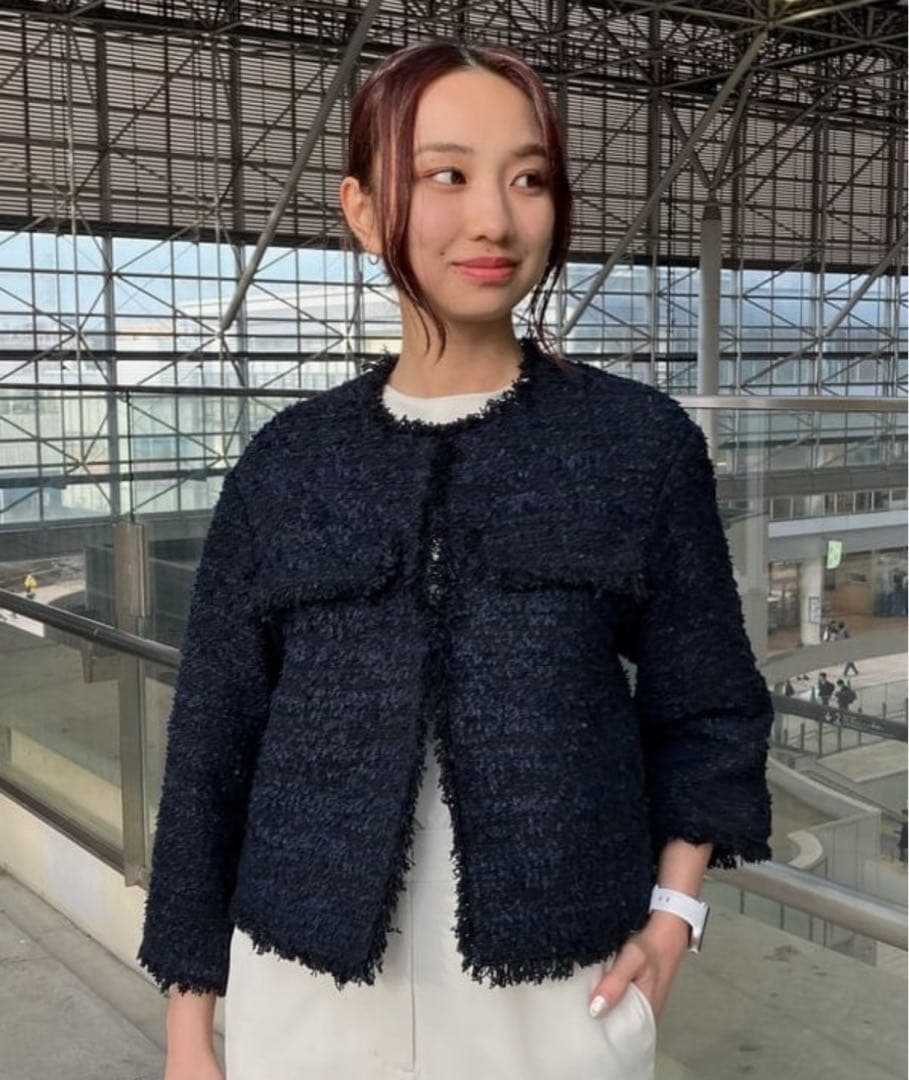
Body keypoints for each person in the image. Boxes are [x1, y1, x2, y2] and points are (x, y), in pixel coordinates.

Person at [138, 40, 774, 1080]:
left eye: (528, 179)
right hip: (303, 991)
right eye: (447, 175)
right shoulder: (290, 462)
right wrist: (186, 1031)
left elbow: (707, 706)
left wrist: (674, 916)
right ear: (360, 207)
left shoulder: (635, 444)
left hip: (557, 989)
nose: (494, 220)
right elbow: (213, 742)